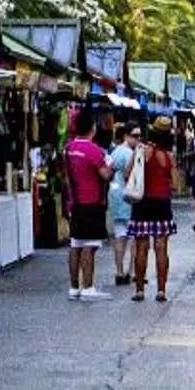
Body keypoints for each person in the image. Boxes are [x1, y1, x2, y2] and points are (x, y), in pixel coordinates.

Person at [60, 110, 111, 300]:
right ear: (93, 128)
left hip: (75, 201)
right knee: (89, 244)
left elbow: (65, 177)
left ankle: (74, 287)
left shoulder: (68, 148)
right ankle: (88, 286)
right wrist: (111, 167)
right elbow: (105, 174)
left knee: (76, 244)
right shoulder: (93, 150)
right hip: (92, 201)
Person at [130, 124, 178, 301]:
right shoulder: (168, 156)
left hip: (142, 202)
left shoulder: (140, 151)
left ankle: (140, 290)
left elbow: (128, 173)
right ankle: (161, 290)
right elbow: (175, 184)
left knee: (141, 247)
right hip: (162, 204)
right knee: (161, 248)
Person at [104, 120, 138, 288]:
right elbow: (130, 176)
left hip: (116, 197)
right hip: (130, 198)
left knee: (120, 235)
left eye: (139, 136)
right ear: (126, 135)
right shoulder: (129, 154)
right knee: (134, 237)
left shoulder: (115, 152)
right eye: (135, 136)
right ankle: (131, 272)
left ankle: (119, 271)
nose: (138, 139)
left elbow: (108, 173)